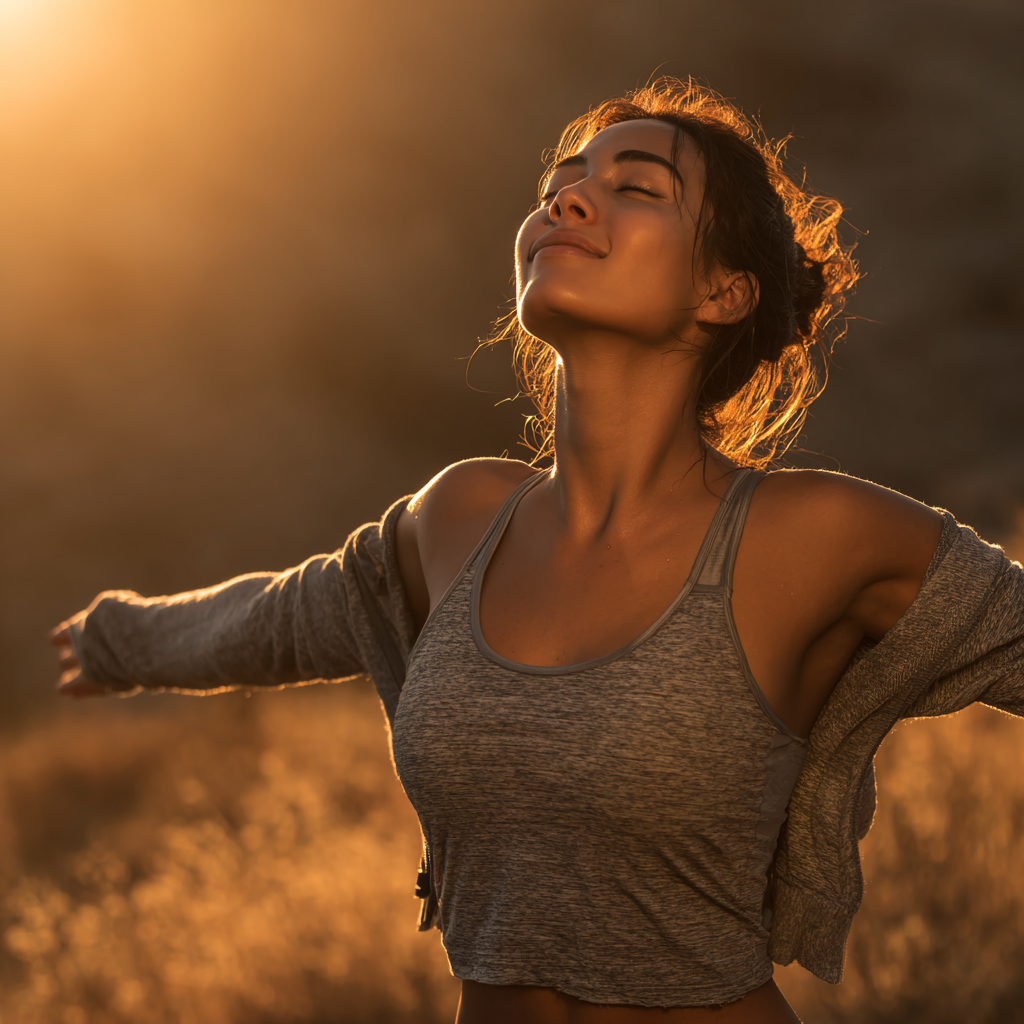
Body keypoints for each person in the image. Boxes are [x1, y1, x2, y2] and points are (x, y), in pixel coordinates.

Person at [50, 78, 1024, 1024]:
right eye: (563, 179)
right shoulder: (461, 517)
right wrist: (117, 641)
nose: (568, 196)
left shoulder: (814, 536)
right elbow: (281, 619)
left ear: (723, 292)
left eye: (635, 187)